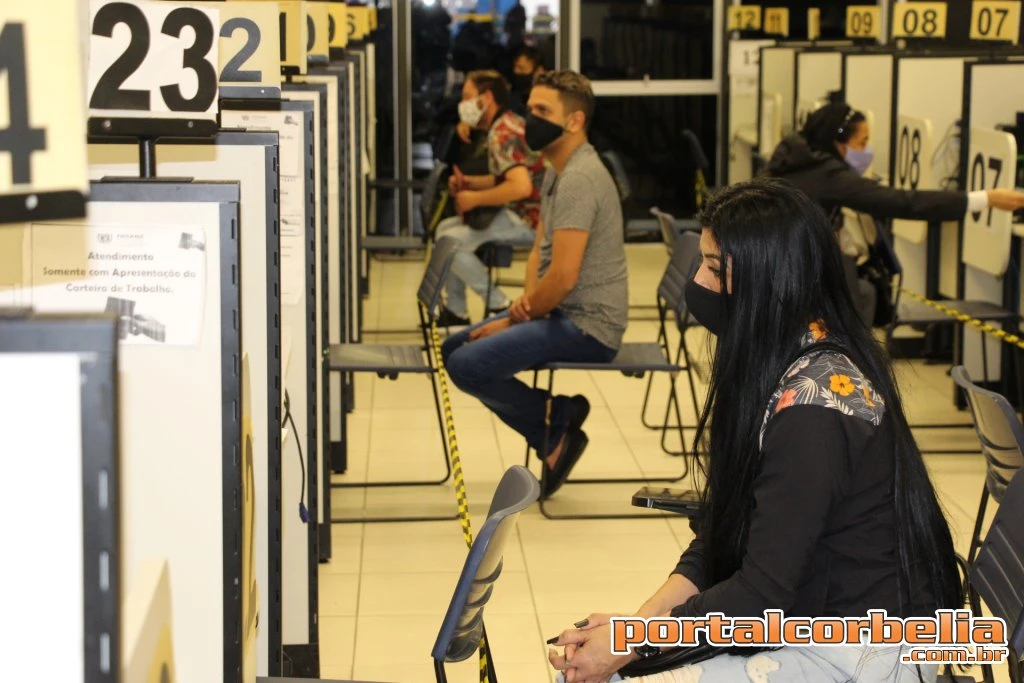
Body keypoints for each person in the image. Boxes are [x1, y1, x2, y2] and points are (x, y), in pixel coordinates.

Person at [546, 179, 963, 683]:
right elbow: (724, 536)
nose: (698, 283)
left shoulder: (815, 409)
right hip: (807, 615)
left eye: (714, 268)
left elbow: (761, 597)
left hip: (862, 649)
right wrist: (636, 627)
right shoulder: (778, 358)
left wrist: (632, 644)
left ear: (771, 281)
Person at [441, 70, 628, 497]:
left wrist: (513, 320)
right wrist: (522, 307)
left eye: (543, 111)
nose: (530, 119)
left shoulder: (580, 178)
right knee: (454, 349)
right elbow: (541, 249)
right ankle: (555, 420)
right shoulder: (556, 169)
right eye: (530, 109)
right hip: (559, 312)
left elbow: (563, 277)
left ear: (575, 121)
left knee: (467, 364)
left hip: (589, 326)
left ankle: (555, 426)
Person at [766, 101, 1024, 327]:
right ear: (839, 141)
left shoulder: (796, 159)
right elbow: (905, 203)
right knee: (856, 295)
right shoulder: (828, 176)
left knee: (864, 292)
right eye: (862, 142)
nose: (866, 150)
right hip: (792, 278)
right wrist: (986, 199)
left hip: (772, 271)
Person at [435, 70, 546, 326]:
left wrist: (476, 199)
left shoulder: (502, 133)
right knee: (445, 229)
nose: (463, 105)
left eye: (467, 97)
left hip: (532, 219)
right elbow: (505, 178)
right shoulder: (506, 123)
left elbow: (520, 188)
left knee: (449, 241)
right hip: (523, 211)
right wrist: (470, 184)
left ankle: (499, 304)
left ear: (486, 99)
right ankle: (456, 310)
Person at [457, 45, 546, 143]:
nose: (516, 72)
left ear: (539, 71)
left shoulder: (545, 103)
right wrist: (469, 120)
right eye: (515, 67)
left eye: (521, 68)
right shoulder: (511, 94)